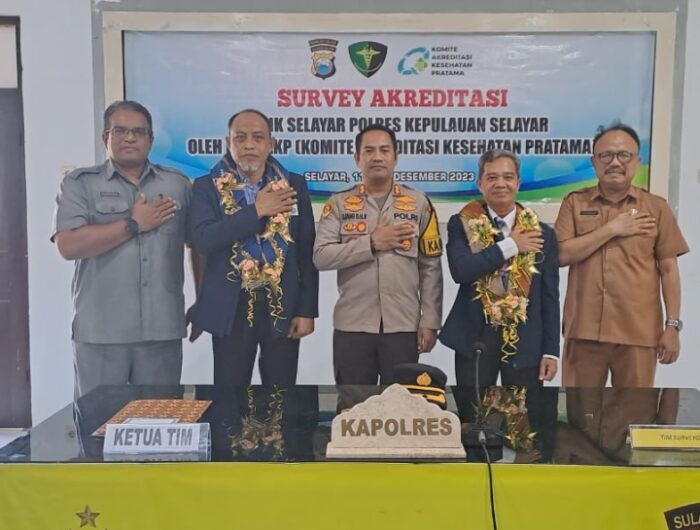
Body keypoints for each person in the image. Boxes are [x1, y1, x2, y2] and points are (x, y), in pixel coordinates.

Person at [52, 100, 192, 398]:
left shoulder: (178, 185)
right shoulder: (79, 184)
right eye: (121, 131)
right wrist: (133, 224)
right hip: (101, 332)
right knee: (98, 420)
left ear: (150, 140)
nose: (130, 138)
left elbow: (199, 245)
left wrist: (204, 302)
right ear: (106, 137)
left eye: (139, 132)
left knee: (160, 420)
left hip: (161, 331)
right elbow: (68, 245)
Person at [188, 109, 318, 386]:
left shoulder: (293, 185)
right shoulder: (206, 187)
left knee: (281, 393)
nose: (249, 145)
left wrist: (306, 310)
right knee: (230, 394)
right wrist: (256, 210)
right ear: (228, 143)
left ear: (271, 144)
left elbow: (306, 253)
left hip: (282, 305)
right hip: (231, 308)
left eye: (258, 138)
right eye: (240, 138)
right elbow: (203, 239)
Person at [555, 124, 689, 387]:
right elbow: (561, 255)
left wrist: (672, 326)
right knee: (580, 410)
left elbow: (669, 269)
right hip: (584, 331)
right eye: (606, 155)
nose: (615, 162)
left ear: (637, 161)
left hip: (638, 332)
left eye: (624, 155)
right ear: (594, 162)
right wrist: (611, 229)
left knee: (634, 409)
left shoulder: (656, 208)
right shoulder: (575, 203)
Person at [313, 124, 443, 385]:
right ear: (357, 158)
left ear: (396, 156)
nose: (377, 157)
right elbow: (321, 256)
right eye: (369, 151)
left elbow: (430, 267)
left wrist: (430, 321)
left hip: (403, 326)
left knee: (401, 403)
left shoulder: (419, 203)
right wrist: (371, 243)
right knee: (354, 403)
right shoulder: (339, 203)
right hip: (353, 326)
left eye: (384, 150)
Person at [439, 149, 560, 387]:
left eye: (508, 177)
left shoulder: (542, 233)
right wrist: (511, 245)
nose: (500, 184)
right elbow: (461, 271)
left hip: (525, 342)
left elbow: (549, 297)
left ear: (518, 183)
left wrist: (551, 351)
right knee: (472, 409)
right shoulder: (462, 223)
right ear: (480, 184)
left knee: (522, 410)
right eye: (492, 177)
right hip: (475, 338)